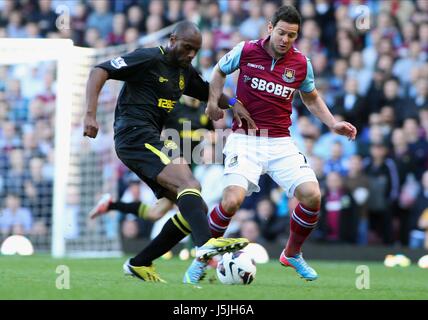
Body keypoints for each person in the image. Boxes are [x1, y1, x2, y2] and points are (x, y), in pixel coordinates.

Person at [84, 21, 254, 284]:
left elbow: (209, 91)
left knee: (191, 201)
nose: (190, 55)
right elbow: (99, 70)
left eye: (195, 51)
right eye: (187, 48)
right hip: (134, 134)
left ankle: (140, 263)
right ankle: (206, 244)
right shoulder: (149, 57)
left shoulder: (184, 72)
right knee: (189, 183)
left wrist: (233, 103)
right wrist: (90, 115)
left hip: (148, 136)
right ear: (172, 39)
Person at [205, 5, 357, 281]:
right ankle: (203, 258)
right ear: (270, 28)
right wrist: (213, 101)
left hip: (280, 142)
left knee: (313, 196)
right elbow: (218, 71)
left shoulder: (301, 63)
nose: (286, 40)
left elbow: (310, 97)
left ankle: (292, 253)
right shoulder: (245, 50)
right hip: (245, 139)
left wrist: (332, 123)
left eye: (292, 35)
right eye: (282, 33)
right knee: (231, 201)